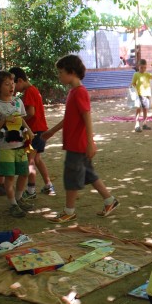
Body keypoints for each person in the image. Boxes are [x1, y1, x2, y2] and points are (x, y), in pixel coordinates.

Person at [43, 54, 119, 222]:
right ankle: (109, 200)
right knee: (89, 174)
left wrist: (90, 142)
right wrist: (51, 132)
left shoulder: (79, 92)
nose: (59, 76)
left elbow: (87, 116)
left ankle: (69, 211)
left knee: (71, 176)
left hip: (78, 144)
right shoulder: (73, 92)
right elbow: (69, 118)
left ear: (71, 72)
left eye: (61, 72)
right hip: (76, 142)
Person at [0, 71, 35, 218]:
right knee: (10, 176)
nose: (11, 86)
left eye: (12, 83)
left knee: (24, 173)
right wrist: (5, 120)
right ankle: (12, 204)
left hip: (20, 144)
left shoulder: (18, 102)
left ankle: (19, 199)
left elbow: (21, 119)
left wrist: (29, 131)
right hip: (5, 147)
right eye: (7, 84)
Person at [9, 67, 54, 198]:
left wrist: (19, 120)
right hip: (41, 130)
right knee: (37, 159)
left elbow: (31, 113)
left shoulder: (29, 91)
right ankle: (48, 184)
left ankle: (31, 190)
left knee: (30, 161)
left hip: (34, 131)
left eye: (13, 84)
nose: (13, 88)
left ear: (20, 80)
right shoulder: (34, 90)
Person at [131, 59, 152, 132]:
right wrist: (134, 91)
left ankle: (144, 124)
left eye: (144, 67)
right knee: (138, 110)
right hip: (139, 95)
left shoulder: (147, 74)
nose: (143, 69)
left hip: (146, 95)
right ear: (138, 67)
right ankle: (137, 125)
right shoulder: (136, 74)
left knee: (145, 110)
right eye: (141, 67)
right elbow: (133, 83)